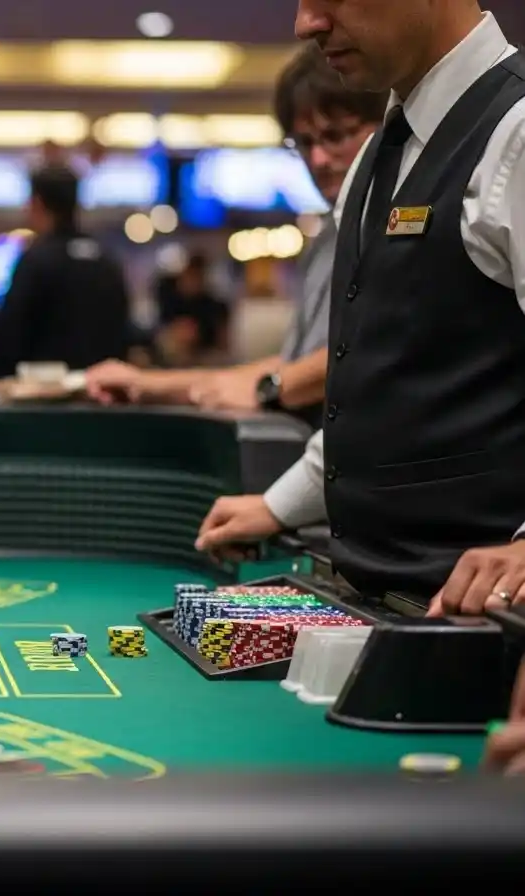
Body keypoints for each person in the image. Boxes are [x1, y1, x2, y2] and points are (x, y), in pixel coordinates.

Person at [195, 2, 525, 617]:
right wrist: (279, 504)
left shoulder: (518, 130)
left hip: (486, 622)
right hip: (380, 597)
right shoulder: (376, 161)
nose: (305, 24)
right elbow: (373, 385)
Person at [85, 43, 386, 425]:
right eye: (304, 143)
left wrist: (270, 388)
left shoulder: (404, 224)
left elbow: (374, 354)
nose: (319, 160)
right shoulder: (330, 233)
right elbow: (297, 367)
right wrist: (148, 383)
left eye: (337, 135)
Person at [0, 163, 131, 383]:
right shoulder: (106, 260)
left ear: (37, 203)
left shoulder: (36, 261)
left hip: (47, 398)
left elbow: (8, 335)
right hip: (103, 394)